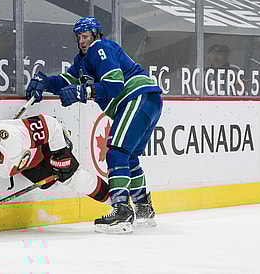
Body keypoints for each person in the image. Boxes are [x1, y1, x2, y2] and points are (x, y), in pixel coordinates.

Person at [25, 17, 163, 234]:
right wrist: (45, 82)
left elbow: (115, 85)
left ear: (96, 35)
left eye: (86, 36)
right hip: (149, 101)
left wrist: (85, 92)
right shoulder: (83, 62)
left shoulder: (100, 48)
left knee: (116, 152)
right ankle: (144, 209)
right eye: (79, 37)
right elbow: (65, 81)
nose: (82, 41)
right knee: (129, 156)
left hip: (136, 98)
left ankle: (121, 210)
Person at [0, 114, 111, 227]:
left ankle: (118, 204)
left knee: (72, 177)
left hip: (45, 148)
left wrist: (60, 152)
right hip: (28, 165)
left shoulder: (11, 135)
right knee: (48, 184)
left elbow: (51, 125)